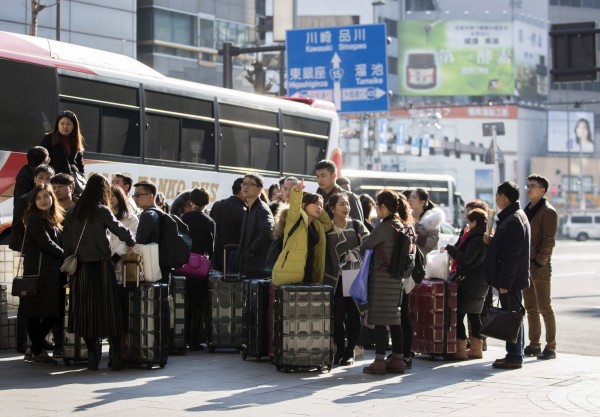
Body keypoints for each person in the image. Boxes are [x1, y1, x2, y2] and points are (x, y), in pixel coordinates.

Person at [64, 174, 136, 371]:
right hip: (102, 266)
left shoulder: (72, 212)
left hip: (80, 268)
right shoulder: (102, 210)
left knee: (84, 312)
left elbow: (67, 243)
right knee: (110, 311)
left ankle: (93, 355)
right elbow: (120, 230)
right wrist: (130, 241)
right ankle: (117, 355)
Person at [359, 190, 414, 375]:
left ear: (382, 207)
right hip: (397, 280)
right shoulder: (402, 225)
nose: (376, 209)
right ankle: (398, 360)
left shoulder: (384, 227)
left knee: (381, 322)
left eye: (377, 205)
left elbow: (365, 247)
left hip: (381, 280)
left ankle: (379, 361)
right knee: (395, 320)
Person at [485, 181, 531, 370]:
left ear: (503, 196)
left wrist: (505, 283)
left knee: (512, 316)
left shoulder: (513, 219)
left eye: (497, 196)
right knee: (514, 316)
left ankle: (514, 356)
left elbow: (511, 256)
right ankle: (514, 354)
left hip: (510, 280)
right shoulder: (514, 216)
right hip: (511, 279)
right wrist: (493, 240)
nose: (496, 199)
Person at [10, 164, 55, 355]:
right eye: (41, 178)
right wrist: (27, 250)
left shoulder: (52, 203)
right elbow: (18, 228)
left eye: (48, 179)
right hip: (31, 257)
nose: (44, 182)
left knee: (41, 303)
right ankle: (23, 342)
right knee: (27, 299)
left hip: (47, 261)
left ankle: (38, 341)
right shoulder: (25, 199)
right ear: (35, 179)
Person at [20, 184, 65, 365]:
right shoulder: (34, 218)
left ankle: (35, 349)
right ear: (33, 202)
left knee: (54, 311)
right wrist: (66, 255)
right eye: (38, 198)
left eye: (46, 196)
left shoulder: (53, 218)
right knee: (36, 312)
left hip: (51, 272)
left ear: (52, 197)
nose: (43, 201)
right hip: (37, 273)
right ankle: (37, 350)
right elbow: (45, 243)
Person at [324, 192, 369, 366]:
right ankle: (339, 350)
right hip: (333, 278)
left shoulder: (357, 225)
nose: (346, 207)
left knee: (354, 314)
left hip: (354, 276)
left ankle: (350, 351)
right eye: (342, 204)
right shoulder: (326, 228)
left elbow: (369, 243)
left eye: (347, 204)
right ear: (332, 208)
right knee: (337, 316)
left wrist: (355, 253)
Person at [442, 208, 489, 360]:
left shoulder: (476, 239)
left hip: (470, 282)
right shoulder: (483, 238)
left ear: (475, 222)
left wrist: (450, 249)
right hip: (480, 282)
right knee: (474, 316)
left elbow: (465, 259)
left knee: (459, 314)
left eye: (469, 221)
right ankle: (476, 349)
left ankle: (460, 350)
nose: (467, 224)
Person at [523, 174, 558, 360]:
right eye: (527, 185)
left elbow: (548, 242)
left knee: (545, 307)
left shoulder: (548, 212)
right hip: (525, 265)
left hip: (539, 266)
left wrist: (539, 263)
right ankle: (534, 344)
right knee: (530, 307)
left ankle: (551, 346)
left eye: (533, 186)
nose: (528, 189)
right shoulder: (526, 209)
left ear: (543, 190)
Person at [271, 179, 332, 285]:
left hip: (309, 273)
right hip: (290, 272)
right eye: (316, 204)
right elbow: (294, 206)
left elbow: (328, 224)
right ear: (303, 205)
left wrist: (317, 203)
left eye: (321, 205)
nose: (320, 208)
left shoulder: (317, 226)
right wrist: (297, 192)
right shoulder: (294, 219)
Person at [181, 188, 215, 350]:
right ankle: (194, 340)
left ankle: (180, 337)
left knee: (182, 302)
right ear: (206, 202)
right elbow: (211, 248)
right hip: (199, 269)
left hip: (182, 265)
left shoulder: (183, 218)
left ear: (191, 201)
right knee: (197, 304)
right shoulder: (209, 222)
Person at [237, 173, 274, 279]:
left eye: (249, 184)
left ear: (259, 189)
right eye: (243, 183)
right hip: (248, 266)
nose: (245, 186)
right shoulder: (249, 208)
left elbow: (267, 231)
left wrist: (251, 251)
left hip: (259, 267)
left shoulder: (262, 209)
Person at [133, 180, 170, 283]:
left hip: (150, 267)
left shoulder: (147, 215)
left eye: (138, 195)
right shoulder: (160, 213)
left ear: (151, 196)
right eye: (134, 195)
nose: (135, 198)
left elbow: (140, 243)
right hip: (161, 267)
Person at [210, 178, 246, 272]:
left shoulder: (217, 205)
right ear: (241, 191)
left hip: (216, 258)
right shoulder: (243, 210)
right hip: (233, 260)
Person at [108, 185, 139, 283]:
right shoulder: (103, 217)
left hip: (124, 263)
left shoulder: (131, 218)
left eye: (113, 195)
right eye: (107, 195)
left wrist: (115, 257)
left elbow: (131, 239)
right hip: (106, 264)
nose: (110, 198)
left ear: (120, 197)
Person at [40, 110, 84, 176]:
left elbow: (80, 164)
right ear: (57, 125)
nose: (65, 127)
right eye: (62, 124)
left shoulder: (76, 140)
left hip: (70, 180)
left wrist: (81, 176)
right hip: (53, 179)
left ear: (74, 126)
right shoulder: (48, 138)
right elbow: (41, 160)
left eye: (68, 124)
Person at [408, 188, 446, 256]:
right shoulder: (406, 217)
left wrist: (416, 239)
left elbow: (433, 241)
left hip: (425, 260)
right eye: (410, 196)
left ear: (422, 202)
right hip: (408, 260)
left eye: (413, 197)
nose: (410, 199)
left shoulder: (432, 219)